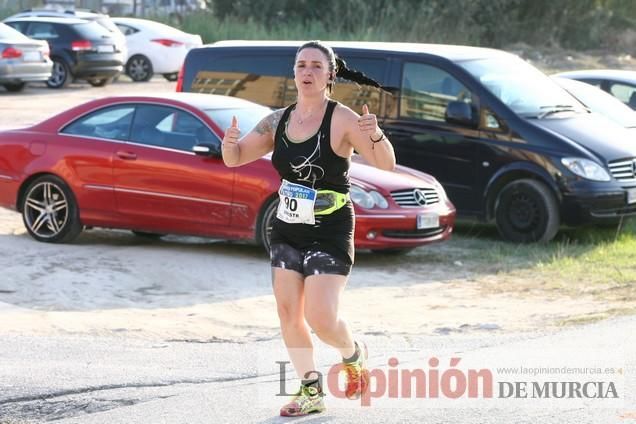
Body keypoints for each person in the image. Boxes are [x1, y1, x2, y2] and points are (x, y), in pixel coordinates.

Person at [221, 40, 396, 416]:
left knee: (321, 317)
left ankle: (353, 354)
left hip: (330, 227)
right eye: (302, 65)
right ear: (294, 72)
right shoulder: (277, 120)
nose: (308, 72)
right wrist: (228, 143)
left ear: (331, 74)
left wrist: (375, 134)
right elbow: (235, 159)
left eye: (317, 66)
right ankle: (310, 390)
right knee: (288, 313)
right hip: (287, 226)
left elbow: (386, 166)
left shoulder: (344, 119)